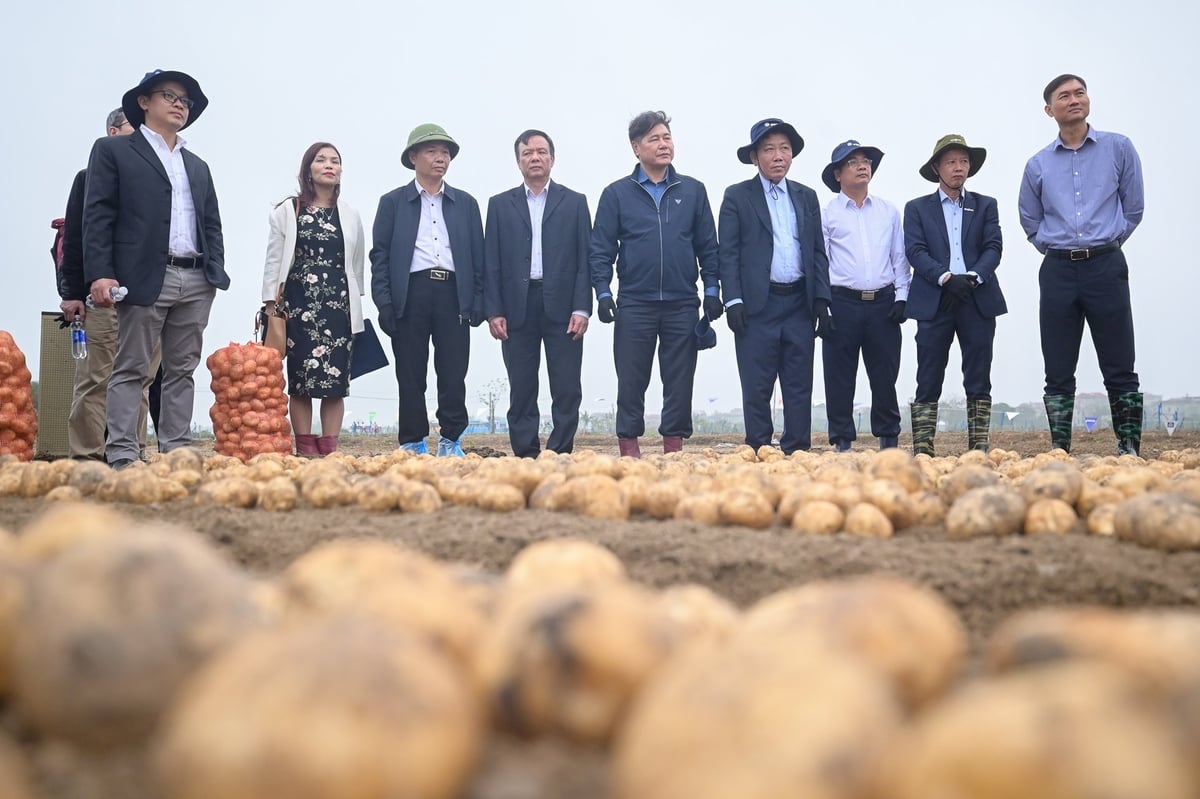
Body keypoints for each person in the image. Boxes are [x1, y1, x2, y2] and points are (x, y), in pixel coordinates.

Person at [83, 69, 227, 469]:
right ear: (144, 102)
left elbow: (211, 222)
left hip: (196, 278)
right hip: (142, 276)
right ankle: (124, 454)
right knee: (132, 368)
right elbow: (97, 216)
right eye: (170, 95)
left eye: (186, 100)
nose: (180, 103)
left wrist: (214, 268)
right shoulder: (113, 151)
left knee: (182, 369)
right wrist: (100, 273)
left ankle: (177, 452)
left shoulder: (197, 165)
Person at [1018, 74, 1145, 455]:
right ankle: (1060, 450)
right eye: (1064, 96)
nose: (1074, 100)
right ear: (1049, 109)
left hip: (1106, 266)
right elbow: (1029, 219)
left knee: (1119, 362)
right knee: (1057, 368)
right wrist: (1056, 248)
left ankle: (1129, 447)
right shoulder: (1037, 164)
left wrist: (1106, 243)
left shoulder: (1118, 148)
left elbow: (1133, 207)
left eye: (1080, 93)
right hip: (1057, 270)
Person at [589, 110, 720, 458]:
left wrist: (711, 292)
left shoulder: (692, 191)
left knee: (679, 382)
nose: (663, 145)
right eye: (654, 139)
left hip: (682, 302)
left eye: (667, 137)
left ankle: (673, 450)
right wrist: (603, 292)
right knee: (631, 380)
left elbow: (708, 246)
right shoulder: (617, 194)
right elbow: (600, 249)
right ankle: (629, 450)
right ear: (636, 148)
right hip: (635, 302)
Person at [718, 118, 832, 455]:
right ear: (755, 157)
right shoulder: (738, 196)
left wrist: (822, 300)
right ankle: (758, 447)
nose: (778, 156)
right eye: (769, 149)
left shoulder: (806, 196)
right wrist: (733, 300)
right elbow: (729, 252)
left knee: (798, 383)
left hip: (798, 301)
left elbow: (816, 251)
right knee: (757, 383)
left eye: (784, 148)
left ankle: (797, 449)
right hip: (757, 305)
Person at [370, 124, 484, 457]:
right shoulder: (392, 203)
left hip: (453, 294)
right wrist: (385, 303)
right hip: (411, 293)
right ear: (413, 157)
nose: (441, 158)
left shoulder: (465, 203)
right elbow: (380, 256)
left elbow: (478, 256)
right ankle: (412, 442)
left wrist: (477, 300)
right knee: (410, 373)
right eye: (432, 151)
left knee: (453, 372)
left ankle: (451, 440)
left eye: (445, 153)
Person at [58, 107, 161, 462]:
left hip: (149, 297)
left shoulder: (157, 178)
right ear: (113, 134)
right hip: (101, 299)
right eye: (135, 129)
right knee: (94, 381)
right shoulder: (88, 179)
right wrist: (71, 292)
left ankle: (132, 452)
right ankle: (86, 456)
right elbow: (74, 238)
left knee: (141, 381)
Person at [484, 129, 592, 457]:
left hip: (563, 306)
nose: (535, 157)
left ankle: (560, 452)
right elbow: (492, 262)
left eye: (541, 152)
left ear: (552, 159)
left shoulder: (574, 202)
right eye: (527, 153)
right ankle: (525, 453)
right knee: (521, 387)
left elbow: (584, 260)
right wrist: (494, 310)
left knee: (567, 386)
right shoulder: (500, 205)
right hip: (517, 306)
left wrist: (582, 308)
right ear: (518, 162)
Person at [262, 142, 366, 457]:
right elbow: (273, 260)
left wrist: (358, 300)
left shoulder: (349, 214)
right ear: (309, 169)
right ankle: (305, 446)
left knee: (336, 381)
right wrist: (270, 303)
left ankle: (331, 448)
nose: (329, 165)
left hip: (339, 306)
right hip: (298, 304)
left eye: (335, 160)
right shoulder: (288, 210)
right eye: (321, 160)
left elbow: (357, 263)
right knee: (301, 379)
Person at [904, 134, 1006, 455]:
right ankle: (923, 449)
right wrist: (946, 277)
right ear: (937, 168)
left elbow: (993, 247)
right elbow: (915, 251)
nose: (958, 168)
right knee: (929, 373)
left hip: (977, 298)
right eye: (951, 162)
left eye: (963, 161)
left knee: (978, 375)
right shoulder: (918, 208)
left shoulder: (985, 205)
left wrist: (972, 277)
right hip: (937, 299)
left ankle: (979, 447)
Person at [820, 139, 911, 451]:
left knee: (885, 375)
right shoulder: (827, 213)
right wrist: (823, 306)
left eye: (866, 161)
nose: (862, 166)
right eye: (852, 162)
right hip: (842, 301)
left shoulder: (888, 211)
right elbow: (822, 262)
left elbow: (899, 258)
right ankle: (842, 441)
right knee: (839, 375)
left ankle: (889, 439)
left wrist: (902, 297)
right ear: (837, 174)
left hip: (883, 303)